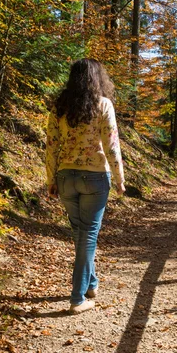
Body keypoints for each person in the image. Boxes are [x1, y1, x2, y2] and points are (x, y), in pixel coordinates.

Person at [45, 58, 125, 315]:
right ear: (97, 79)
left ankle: (91, 284)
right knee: (88, 235)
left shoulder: (59, 107)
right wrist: (120, 177)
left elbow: (51, 145)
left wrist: (51, 179)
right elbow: (112, 144)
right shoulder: (103, 105)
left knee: (81, 234)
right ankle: (78, 298)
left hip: (66, 178)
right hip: (94, 178)